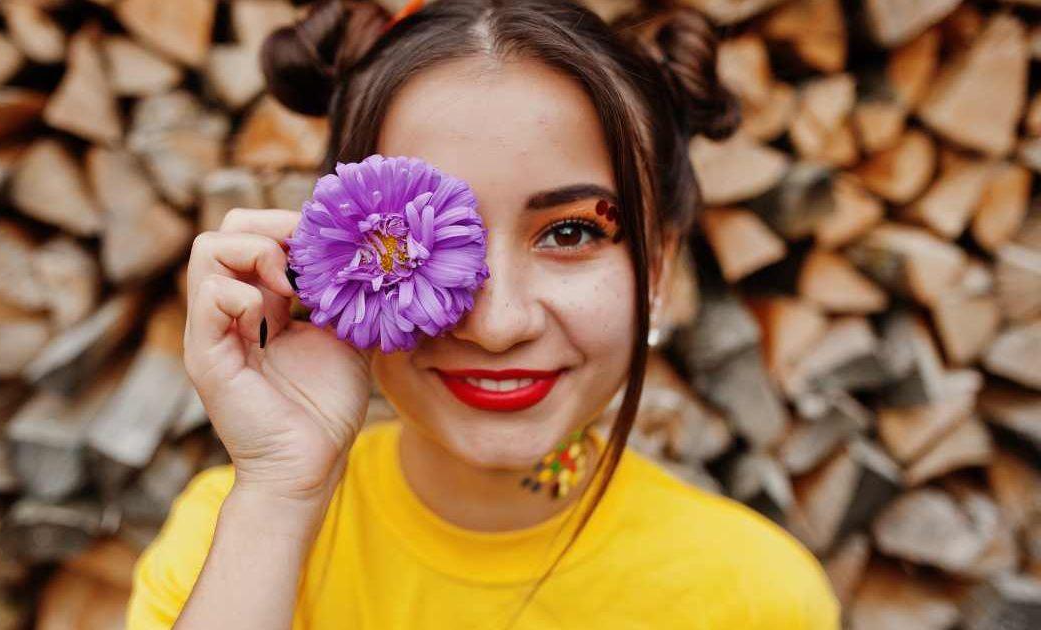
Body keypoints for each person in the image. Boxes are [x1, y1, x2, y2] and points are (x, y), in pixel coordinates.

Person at [127, 0, 842, 628]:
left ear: (656, 268)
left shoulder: (758, 600)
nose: (497, 325)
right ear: (332, 252)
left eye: (571, 232)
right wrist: (281, 496)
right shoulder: (232, 542)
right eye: (415, 241)